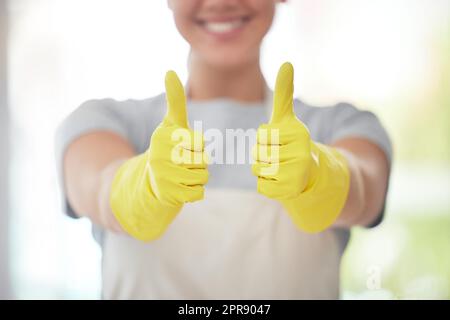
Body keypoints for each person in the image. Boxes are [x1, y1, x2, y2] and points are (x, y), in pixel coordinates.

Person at [55, 0, 391, 299]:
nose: (220, 2)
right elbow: (98, 188)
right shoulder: (104, 123)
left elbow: (363, 189)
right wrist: (142, 187)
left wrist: (319, 178)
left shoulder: (342, 126)